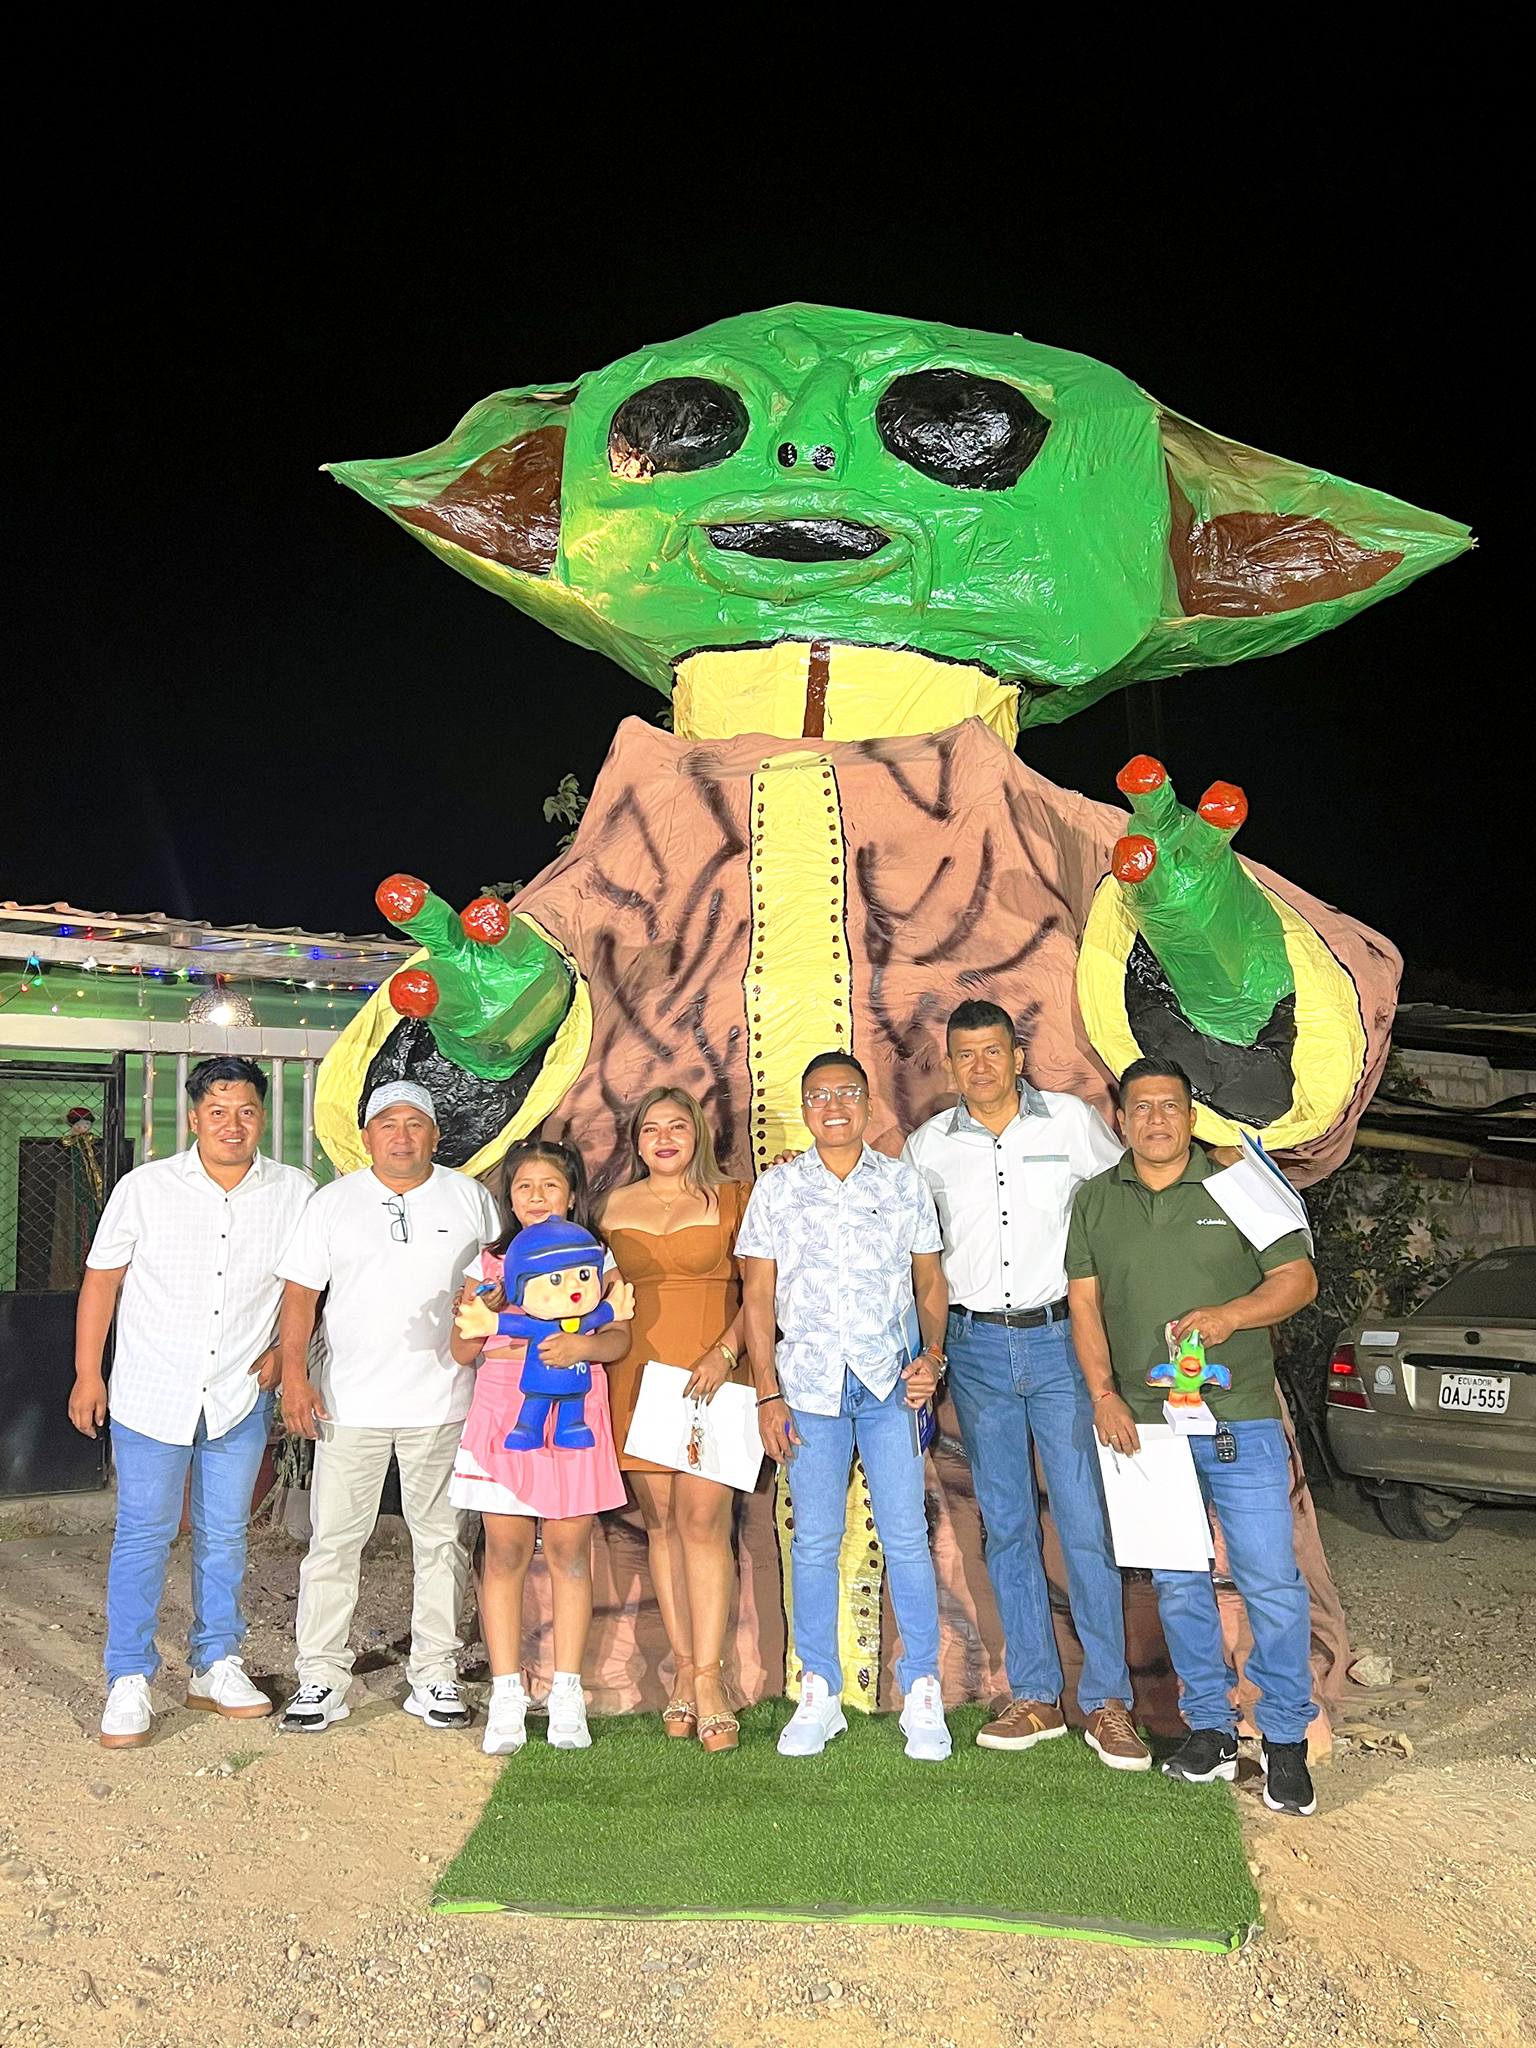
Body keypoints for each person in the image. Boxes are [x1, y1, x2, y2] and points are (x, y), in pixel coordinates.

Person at [1066, 1056, 1321, 1817]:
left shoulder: (1236, 1181)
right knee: (1178, 1582)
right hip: (1144, 1427)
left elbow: (1299, 1279)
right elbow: (1085, 1307)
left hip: (1239, 1414)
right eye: (1141, 1107)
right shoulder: (1094, 1200)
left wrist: (1229, 1316)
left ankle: (1284, 1739)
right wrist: (1104, 1395)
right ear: (1121, 1120)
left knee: (1270, 1579)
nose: (1156, 1119)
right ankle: (1209, 1727)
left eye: (1170, 1106)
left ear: (1190, 1115)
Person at [901, 999, 1148, 1770]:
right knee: (1006, 1524)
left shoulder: (1071, 1123)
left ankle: (1108, 1702)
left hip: (1062, 1344)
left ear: (1017, 1056)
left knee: (1084, 1521)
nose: (980, 1066)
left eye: (993, 1051)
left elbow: (1123, 1212)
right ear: (950, 1065)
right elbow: (915, 1259)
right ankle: (1036, 1695)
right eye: (965, 1055)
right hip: (975, 1350)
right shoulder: (927, 1148)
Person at [70, 1056, 314, 1748]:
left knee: (225, 1535)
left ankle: (215, 1663)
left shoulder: (295, 1191)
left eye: (246, 1111)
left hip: (238, 1393)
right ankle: (128, 1676)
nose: (232, 1125)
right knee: (144, 1533)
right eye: (217, 1111)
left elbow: (306, 1287)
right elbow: (101, 1282)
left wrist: (283, 1355)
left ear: (262, 1117)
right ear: (194, 1118)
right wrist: (88, 1374)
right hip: (152, 1390)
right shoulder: (145, 1189)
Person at [738, 1051, 952, 1763]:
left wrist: (932, 1358)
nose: (833, 1106)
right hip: (807, 1388)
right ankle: (819, 1690)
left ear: (868, 1103)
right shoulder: (777, 1189)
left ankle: (922, 1688)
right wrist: (768, 1391)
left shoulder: (901, 1183)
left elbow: (929, 1282)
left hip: (890, 1384)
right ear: (804, 1109)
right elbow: (758, 1298)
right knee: (814, 1542)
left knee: (907, 1537)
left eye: (847, 1093)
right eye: (819, 1095)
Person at [275, 1082, 500, 1735]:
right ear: (367, 1136)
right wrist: (295, 1376)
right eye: (387, 1124)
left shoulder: (470, 1199)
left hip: (445, 1401)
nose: (401, 1137)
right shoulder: (332, 1202)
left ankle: (434, 1674)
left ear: (434, 1134)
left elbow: (500, 1281)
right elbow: (300, 1294)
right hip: (349, 1403)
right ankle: (321, 1675)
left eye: (414, 1124)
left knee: (442, 1542)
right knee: (334, 1543)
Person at [448, 1139, 632, 1756]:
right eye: (524, 1185)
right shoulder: (489, 1262)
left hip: (576, 1416)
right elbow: (462, 1351)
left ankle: (566, 1692)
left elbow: (619, 1338)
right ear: (510, 1196)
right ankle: (507, 1692)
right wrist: (480, 1310)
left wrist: (583, 1347)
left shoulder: (595, 1255)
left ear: (572, 1194)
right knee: (502, 1552)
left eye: (550, 1185)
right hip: (505, 1416)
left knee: (569, 1552)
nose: (536, 1196)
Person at [599, 1088, 750, 1754]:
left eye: (677, 1126)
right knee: (661, 1524)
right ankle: (684, 1675)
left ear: (699, 1134)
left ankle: (712, 1681)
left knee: (703, 1522)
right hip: (636, 1376)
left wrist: (728, 1352)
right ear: (636, 1141)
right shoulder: (608, 1208)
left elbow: (764, 1291)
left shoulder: (736, 1198)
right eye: (650, 1129)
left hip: (715, 1372)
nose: (663, 1138)